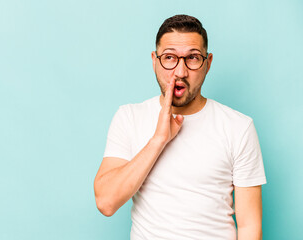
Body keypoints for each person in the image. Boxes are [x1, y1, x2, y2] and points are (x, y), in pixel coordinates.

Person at [94, 14, 266, 240]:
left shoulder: (238, 127)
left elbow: (249, 228)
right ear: (155, 61)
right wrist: (158, 140)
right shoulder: (129, 117)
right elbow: (106, 202)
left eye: (193, 58)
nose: (180, 72)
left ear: (208, 63)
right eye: (169, 58)